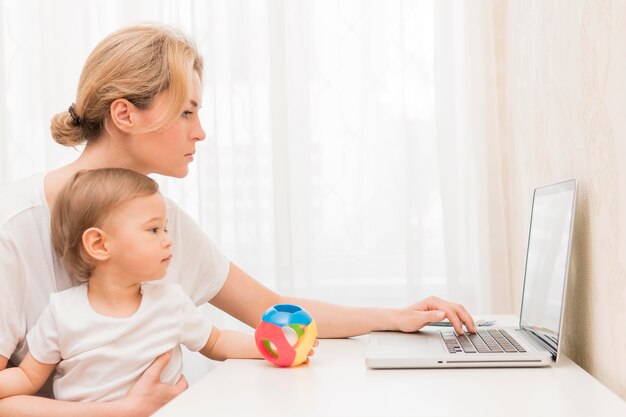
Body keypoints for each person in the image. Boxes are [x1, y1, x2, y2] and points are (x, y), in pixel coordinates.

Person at [0, 23, 475, 416]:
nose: (200, 132)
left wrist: (395, 317)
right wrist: (123, 410)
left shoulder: (166, 226)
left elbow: (269, 307)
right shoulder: (16, 228)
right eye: (187, 112)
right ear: (124, 113)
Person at [0, 168, 261, 402]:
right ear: (100, 244)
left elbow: (216, 342)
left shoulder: (171, 302)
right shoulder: (61, 313)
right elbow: (27, 376)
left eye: (165, 229)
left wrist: (273, 347)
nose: (168, 240)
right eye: (153, 230)